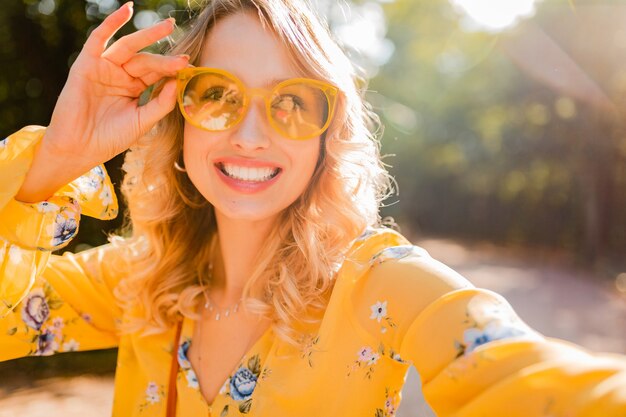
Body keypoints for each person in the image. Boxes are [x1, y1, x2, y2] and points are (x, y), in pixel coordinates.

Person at [0, 1, 625, 416]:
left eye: (293, 102)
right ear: (177, 124)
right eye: (217, 95)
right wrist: (54, 159)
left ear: (328, 138)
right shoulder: (142, 282)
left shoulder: (380, 283)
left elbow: (520, 372)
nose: (250, 134)